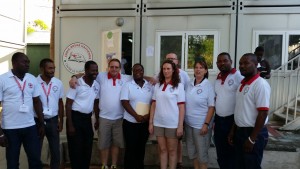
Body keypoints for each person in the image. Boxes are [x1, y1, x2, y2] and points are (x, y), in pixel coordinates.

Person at [0, 52, 44, 169]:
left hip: (30, 126)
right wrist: (0, 133)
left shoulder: (32, 78)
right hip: (10, 128)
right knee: (13, 162)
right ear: (14, 63)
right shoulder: (2, 79)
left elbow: (37, 101)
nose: (27, 64)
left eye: (28, 62)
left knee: (35, 160)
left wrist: (41, 123)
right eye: (24, 62)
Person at [228, 53, 270, 169]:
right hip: (240, 132)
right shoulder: (242, 83)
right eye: (240, 63)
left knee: (252, 165)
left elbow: (263, 113)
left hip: (253, 133)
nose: (242, 66)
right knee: (240, 165)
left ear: (256, 65)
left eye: (246, 63)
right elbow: (240, 109)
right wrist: (233, 130)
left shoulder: (260, 84)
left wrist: (252, 139)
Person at [149, 60, 185, 169]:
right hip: (158, 123)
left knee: (172, 151)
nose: (166, 71)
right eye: (164, 69)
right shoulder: (157, 86)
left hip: (172, 124)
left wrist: (180, 126)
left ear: (173, 70)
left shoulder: (179, 86)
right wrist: (151, 123)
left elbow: (182, 107)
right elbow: (153, 105)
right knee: (163, 150)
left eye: (168, 68)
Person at [65, 60, 100, 169]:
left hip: (87, 119)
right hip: (75, 119)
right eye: (92, 70)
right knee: (76, 148)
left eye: (96, 70)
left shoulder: (96, 85)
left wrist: (97, 119)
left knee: (87, 146)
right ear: (86, 71)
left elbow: (95, 102)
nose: (95, 72)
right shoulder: (77, 83)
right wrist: (70, 125)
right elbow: (68, 104)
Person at [159, 53, 190, 169]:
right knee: (164, 148)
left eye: (172, 59)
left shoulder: (184, 75)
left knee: (177, 143)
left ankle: (179, 161)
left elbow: (187, 91)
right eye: (168, 59)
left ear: (177, 61)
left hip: (176, 117)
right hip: (161, 121)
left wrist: (180, 123)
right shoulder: (160, 78)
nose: (166, 70)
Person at [120, 63, 153, 169]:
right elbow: (124, 102)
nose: (138, 72)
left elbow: (153, 102)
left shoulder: (149, 85)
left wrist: (148, 115)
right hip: (130, 123)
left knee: (141, 148)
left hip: (144, 123)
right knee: (130, 149)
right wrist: (136, 116)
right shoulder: (127, 85)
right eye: (135, 70)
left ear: (143, 72)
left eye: (140, 70)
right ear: (132, 72)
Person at [214, 52, 243, 169]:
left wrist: (234, 126)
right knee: (221, 153)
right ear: (216, 64)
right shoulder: (217, 78)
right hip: (219, 120)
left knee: (232, 153)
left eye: (225, 60)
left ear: (231, 61)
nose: (222, 63)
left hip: (232, 121)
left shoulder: (238, 76)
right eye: (219, 61)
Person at [185, 60, 215, 169]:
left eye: (201, 67)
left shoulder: (208, 86)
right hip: (188, 124)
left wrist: (206, 124)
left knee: (202, 156)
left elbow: (211, 107)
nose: (198, 69)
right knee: (192, 153)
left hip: (201, 126)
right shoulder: (189, 83)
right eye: (196, 67)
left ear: (205, 70)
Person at [37, 58, 64, 169]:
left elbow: (60, 102)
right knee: (36, 150)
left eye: (54, 68)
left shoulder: (58, 83)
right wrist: (40, 122)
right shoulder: (34, 82)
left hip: (53, 121)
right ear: (42, 69)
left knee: (55, 151)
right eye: (50, 68)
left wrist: (61, 121)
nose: (53, 70)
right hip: (38, 121)